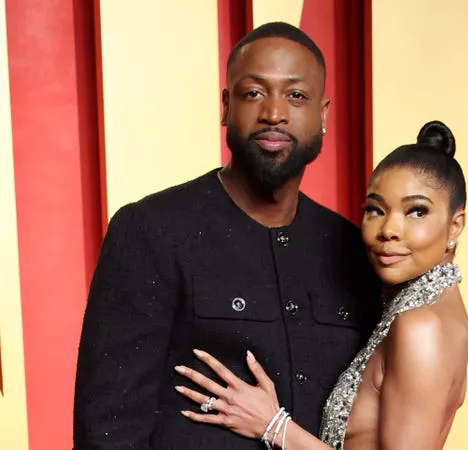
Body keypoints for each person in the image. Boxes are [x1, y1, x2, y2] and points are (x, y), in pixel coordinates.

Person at [73, 22, 378, 449]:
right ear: (225, 106)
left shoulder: (353, 249)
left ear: (323, 114)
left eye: (296, 95)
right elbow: (106, 428)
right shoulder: (151, 231)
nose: (274, 112)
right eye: (254, 93)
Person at [172, 121, 468, 449]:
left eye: (417, 212)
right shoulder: (429, 312)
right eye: (375, 210)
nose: (389, 229)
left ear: (455, 224)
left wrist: (273, 425)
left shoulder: (421, 326)